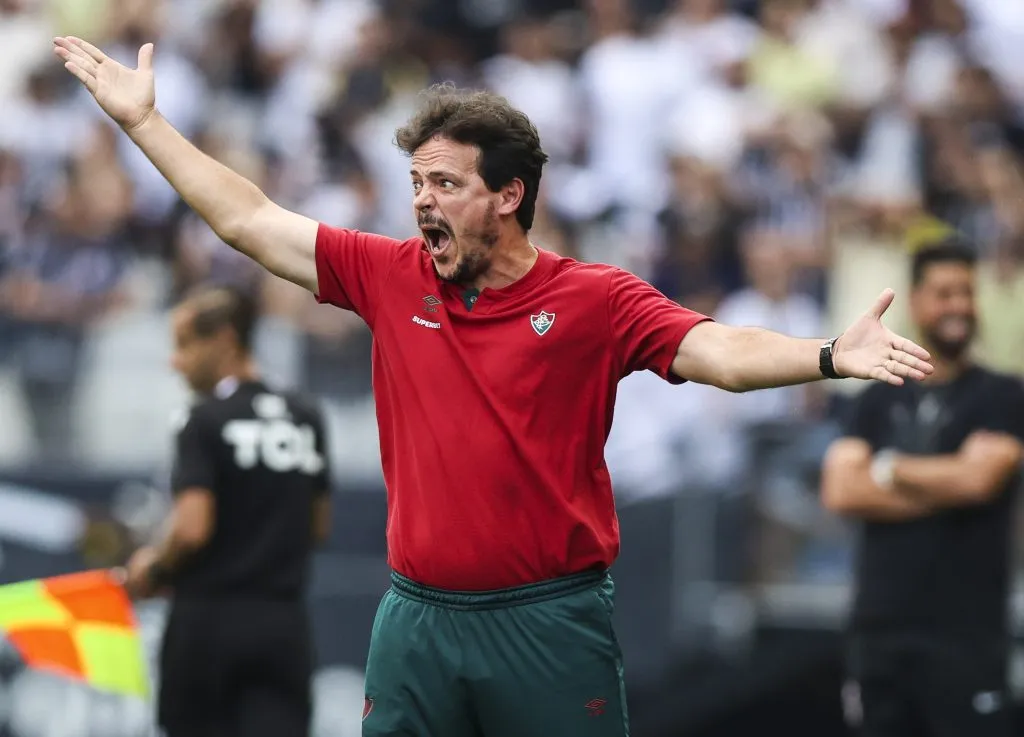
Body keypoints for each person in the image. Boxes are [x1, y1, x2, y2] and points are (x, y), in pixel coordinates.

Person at [54, 36, 933, 736]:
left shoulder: (593, 297)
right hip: (417, 621)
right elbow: (247, 217)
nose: (422, 203)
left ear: (509, 194)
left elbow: (720, 351)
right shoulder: (390, 274)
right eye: (415, 183)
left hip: (546, 623)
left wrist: (826, 352)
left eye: (445, 184)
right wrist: (145, 125)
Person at [821, 241, 1024, 737]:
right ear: (915, 301)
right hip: (880, 637)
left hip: (968, 638)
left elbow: (979, 480)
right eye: (944, 293)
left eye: (966, 292)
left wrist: (889, 469)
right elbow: (841, 491)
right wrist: (945, 479)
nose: (958, 305)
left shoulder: (1003, 395)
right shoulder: (876, 394)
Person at [123, 286, 331, 737]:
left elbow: (192, 529)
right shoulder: (306, 415)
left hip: (206, 628)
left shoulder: (202, 420)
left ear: (223, 339)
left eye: (184, 344)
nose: (174, 362)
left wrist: (154, 568)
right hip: (283, 625)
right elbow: (318, 526)